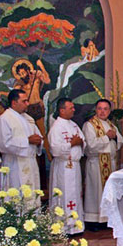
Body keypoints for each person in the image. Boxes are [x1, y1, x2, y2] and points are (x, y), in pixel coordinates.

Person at [83, 99, 123, 224]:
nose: (102, 111)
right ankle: (94, 220)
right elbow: (91, 145)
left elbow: (121, 141)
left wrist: (115, 137)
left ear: (109, 111)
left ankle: (107, 219)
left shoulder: (111, 125)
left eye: (105, 109)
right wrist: (107, 137)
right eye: (100, 108)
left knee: (108, 192)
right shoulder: (89, 125)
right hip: (96, 164)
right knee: (95, 193)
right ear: (96, 109)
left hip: (109, 164)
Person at [48, 97, 85, 235]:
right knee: (64, 195)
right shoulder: (56, 127)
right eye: (71, 108)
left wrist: (81, 142)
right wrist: (72, 144)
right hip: (63, 167)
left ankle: (76, 225)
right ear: (62, 110)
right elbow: (55, 149)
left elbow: (82, 140)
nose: (74, 110)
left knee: (75, 194)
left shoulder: (74, 125)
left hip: (74, 166)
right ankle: (63, 227)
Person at [0, 89, 43, 190]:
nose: (27, 104)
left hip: (30, 162)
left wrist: (39, 142)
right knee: (16, 195)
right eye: (24, 101)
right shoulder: (4, 119)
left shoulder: (28, 119)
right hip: (14, 164)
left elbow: (38, 137)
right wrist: (27, 141)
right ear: (14, 103)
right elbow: (3, 144)